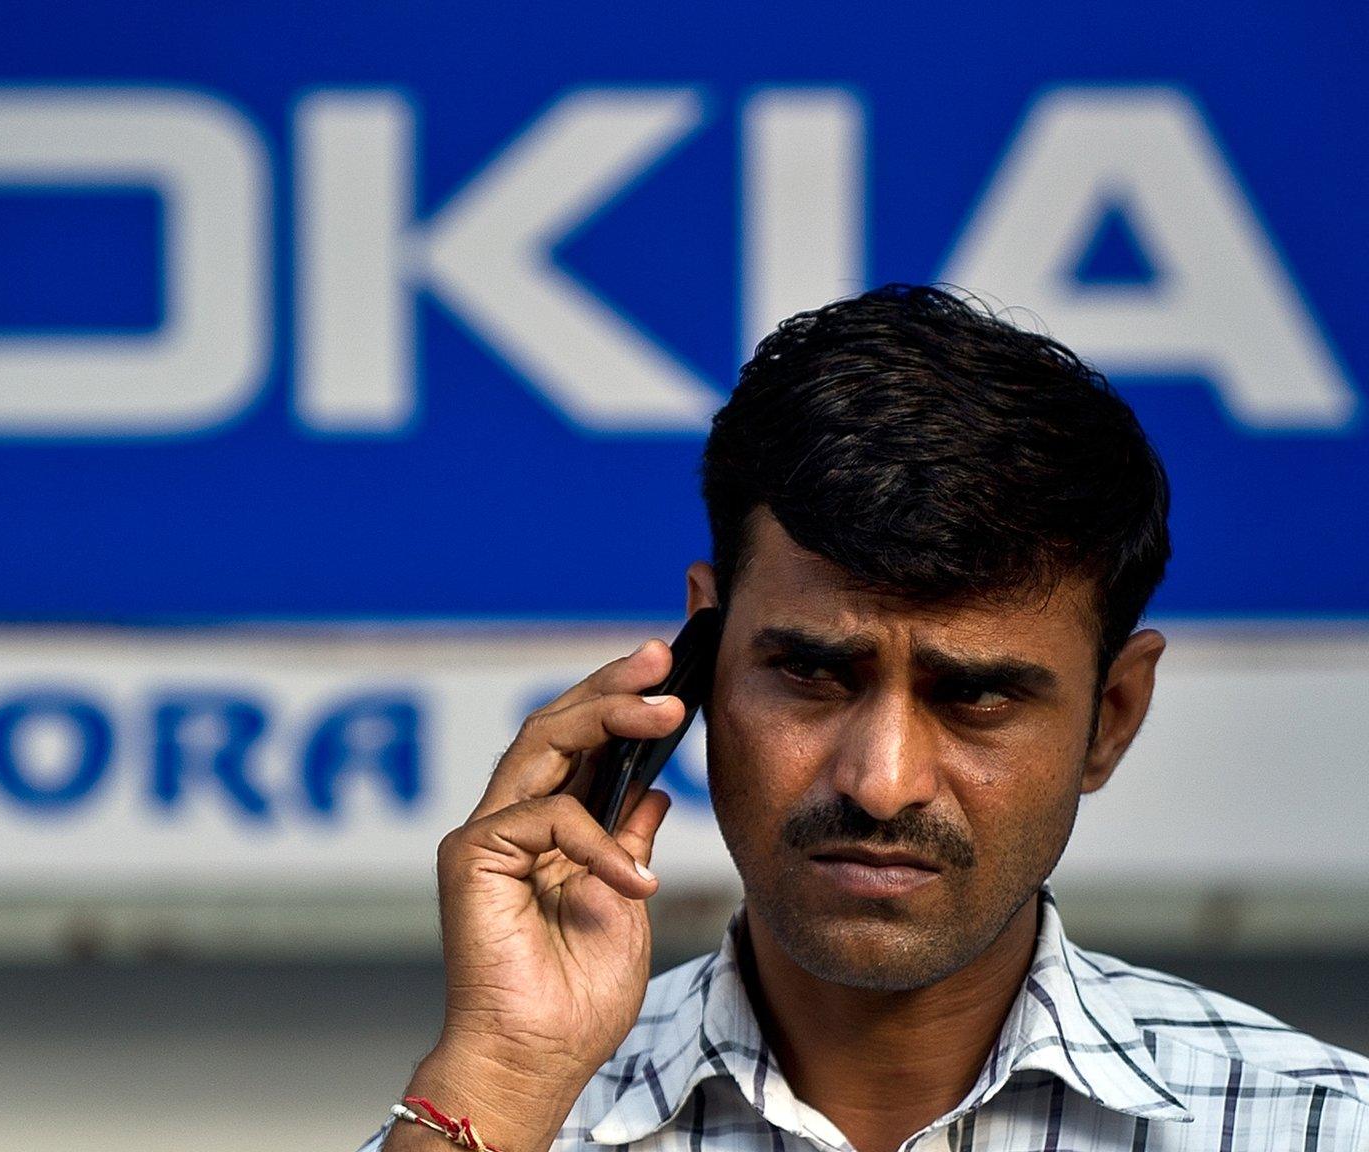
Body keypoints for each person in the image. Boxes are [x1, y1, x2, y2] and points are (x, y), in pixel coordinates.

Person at [359, 285, 1369, 1152]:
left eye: (974, 695)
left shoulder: (1323, 1128)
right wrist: (504, 1066)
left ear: (1111, 716)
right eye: (809, 671)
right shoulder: (502, 1117)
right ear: (698, 666)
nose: (879, 781)